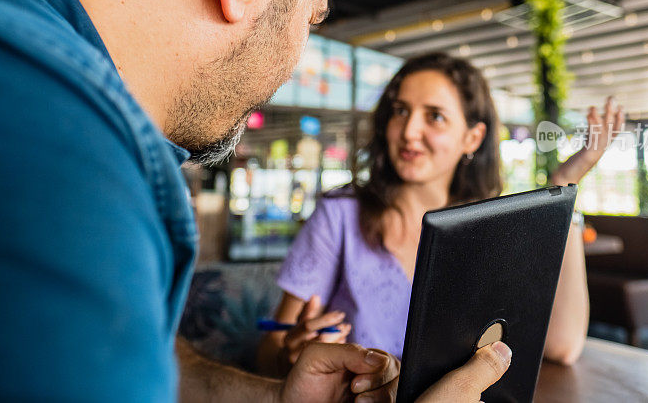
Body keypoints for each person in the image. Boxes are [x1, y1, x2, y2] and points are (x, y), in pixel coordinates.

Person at [0, 0, 513, 401]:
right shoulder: (72, 171)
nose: (296, 59)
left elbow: (137, 354)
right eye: (312, 18)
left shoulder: (3, 54)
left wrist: (272, 398)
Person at [258, 53, 624, 375]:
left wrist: (564, 185)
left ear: (472, 138)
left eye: (434, 116)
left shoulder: (490, 228)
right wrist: (290, 354)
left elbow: (562, 346)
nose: (409, 131)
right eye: (401, 111)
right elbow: (268, 349)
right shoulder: (341, 214)